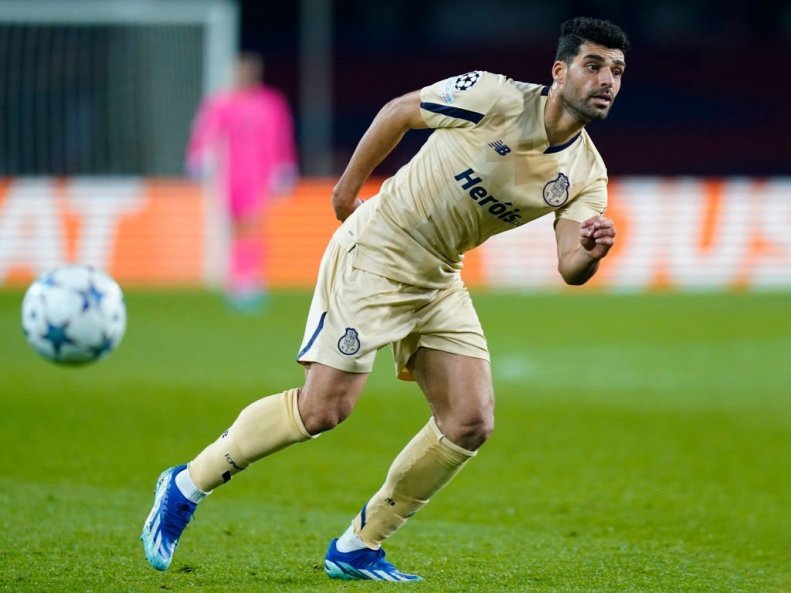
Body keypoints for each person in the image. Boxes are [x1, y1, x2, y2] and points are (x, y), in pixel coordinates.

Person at [142, 17, 628, 581]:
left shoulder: (587, 173)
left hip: (438, 275)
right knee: (324, 409)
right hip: (378, 248)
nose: (606, 80)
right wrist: (346, 191)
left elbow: (570, 267)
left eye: (617, 71)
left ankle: (358, 545)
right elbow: (399, 111)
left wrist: (591, 251)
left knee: (469, 420)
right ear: (560, 71)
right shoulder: (494, 96)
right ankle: (186, 484)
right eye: (594, 66)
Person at [186, 52, 298, 311]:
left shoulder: (271, 103)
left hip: (258, 175)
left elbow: (281, 136)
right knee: (235, 227)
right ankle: (238, 278)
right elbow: (206, 131)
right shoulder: (222, 103)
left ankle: (251, 278)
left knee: (253, 224)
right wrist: (198, 156)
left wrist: (284, 165)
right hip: (230, 176)